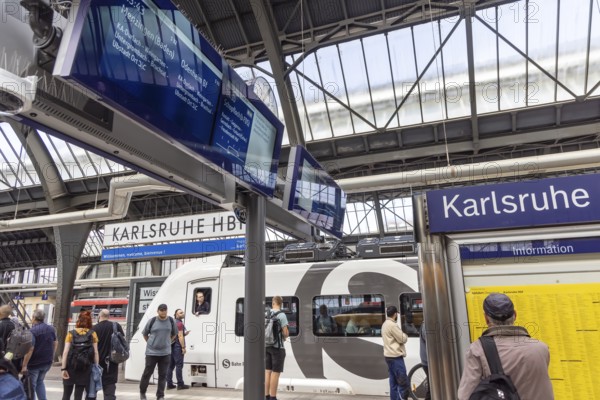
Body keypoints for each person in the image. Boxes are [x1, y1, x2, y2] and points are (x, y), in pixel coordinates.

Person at [457, 293, 553, 399]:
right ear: (515, 315)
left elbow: (465, 395)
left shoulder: (478, 350)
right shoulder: (541, 348)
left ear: (486, 319)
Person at [139, 304, 178, 400]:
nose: (163, 311)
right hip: (151, 353)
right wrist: (150, 343)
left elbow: (174, 334)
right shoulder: (152, 321)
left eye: (165, 310)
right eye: (161, 310)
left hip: (165, 353)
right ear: (158, 311)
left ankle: (160, 395)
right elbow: (145, 334)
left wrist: (168, 342)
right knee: (147, 373)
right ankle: (142, 392)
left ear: (167, 311)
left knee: (163, 375)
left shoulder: (171, 321)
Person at [61, 310, 100, 400]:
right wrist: (96, 366)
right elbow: (96, 352)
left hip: (70, 367)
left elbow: (65, 352)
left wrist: (63, 368)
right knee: (78, 395)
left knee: (66, 394)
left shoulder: (71, 333)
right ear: (89, 321)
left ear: (78, 321)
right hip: (85, 367)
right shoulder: (93, 334)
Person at [21, 309, 57, 400]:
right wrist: (52, 355)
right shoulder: (51, 329)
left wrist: (24, 365)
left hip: (35, 363)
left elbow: (30, 349)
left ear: (33, 318)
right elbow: (55, 342)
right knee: (40, 382)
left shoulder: (32, 331)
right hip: (47, 361)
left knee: (31, 386)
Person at [92, 309, 125, 400]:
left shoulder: (95, 328)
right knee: (110, 390)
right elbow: (122, 340)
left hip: (97, 362)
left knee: (92, 389)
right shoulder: (116, 326)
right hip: (112, 361)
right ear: (108, 316)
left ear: (99, 316)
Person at [382, 305, 410, 400]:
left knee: (393, 384)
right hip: (396, 357)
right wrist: (405, 335)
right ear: (395, 314)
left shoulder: (385, 324)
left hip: (388, 357)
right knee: (403, 383)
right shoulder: (392, 325)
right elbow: (402, 338)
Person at [265, 296, 288, 400]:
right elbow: (286, 333)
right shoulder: (282, 315)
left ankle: (266, 396)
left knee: (268, 371)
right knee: (275, 373)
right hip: (277, 348)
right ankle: (273, 397)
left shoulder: (266, 313)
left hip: (266, 346)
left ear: (273, 303)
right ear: (281, 303)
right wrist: (285, 336)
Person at [166, 309, 190, 390]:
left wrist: (184, 334)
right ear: (176, 314)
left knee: (170, 366)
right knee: (179, 365)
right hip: (177, 346)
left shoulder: (172, 322)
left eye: (183, 312)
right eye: (180, 312)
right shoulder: (179, 323)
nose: (183, 313)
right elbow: (180, 336)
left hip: (170, 346)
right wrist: (183, 347)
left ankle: (169, 384)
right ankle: (180, 384)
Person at [419, 322, 431, 400]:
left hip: (426, 359)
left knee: (431, 384)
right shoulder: (425, 326)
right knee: (431, 386)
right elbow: (429, 340)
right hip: (427, 360)